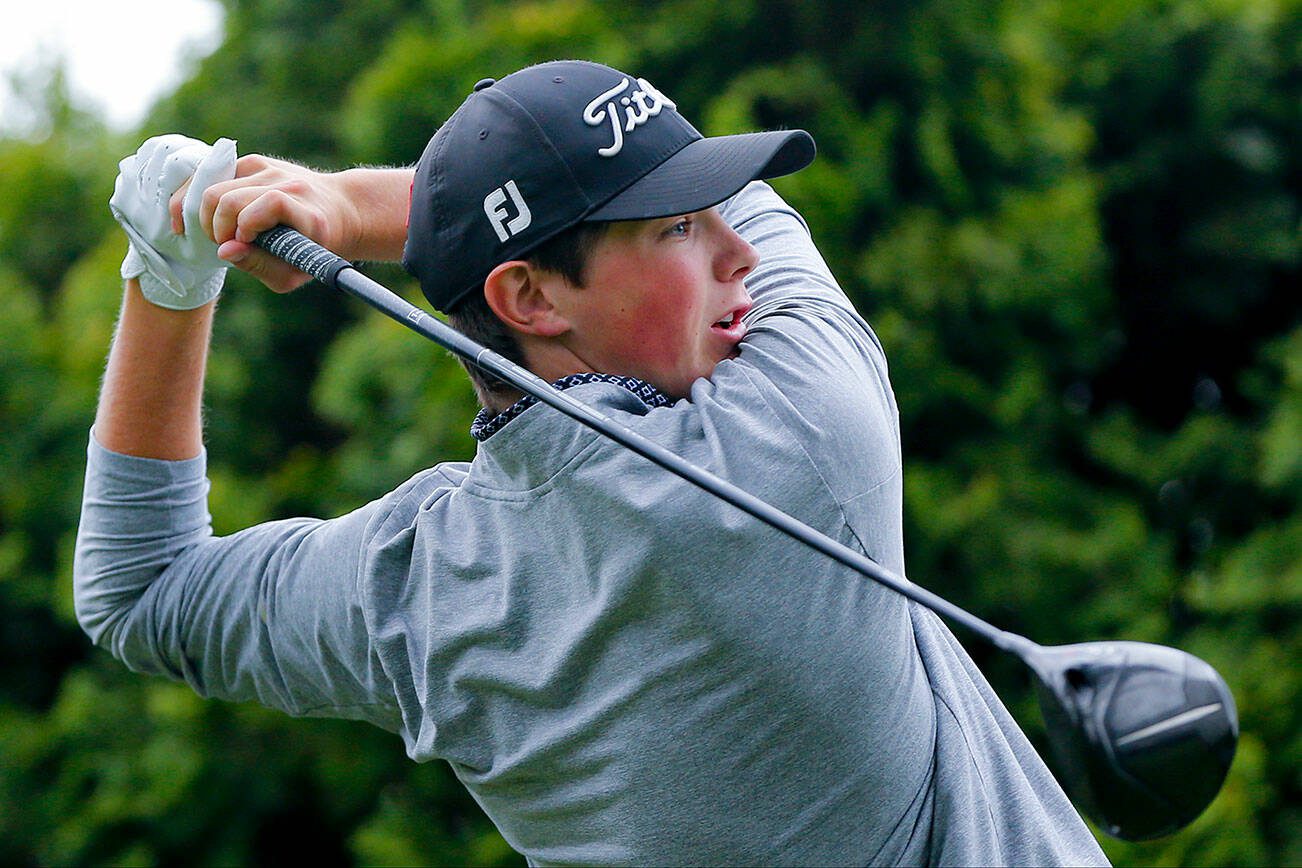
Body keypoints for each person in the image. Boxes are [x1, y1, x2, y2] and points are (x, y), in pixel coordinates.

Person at [75, 60, 1109, 865]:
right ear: (529, 300)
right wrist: (349, 206)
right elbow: (760, 220)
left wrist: (166, 281)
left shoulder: (426, 589)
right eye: (676, 225)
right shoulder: (802, 425)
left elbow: (140, 586)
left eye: (708, 211)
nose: (734, 251)